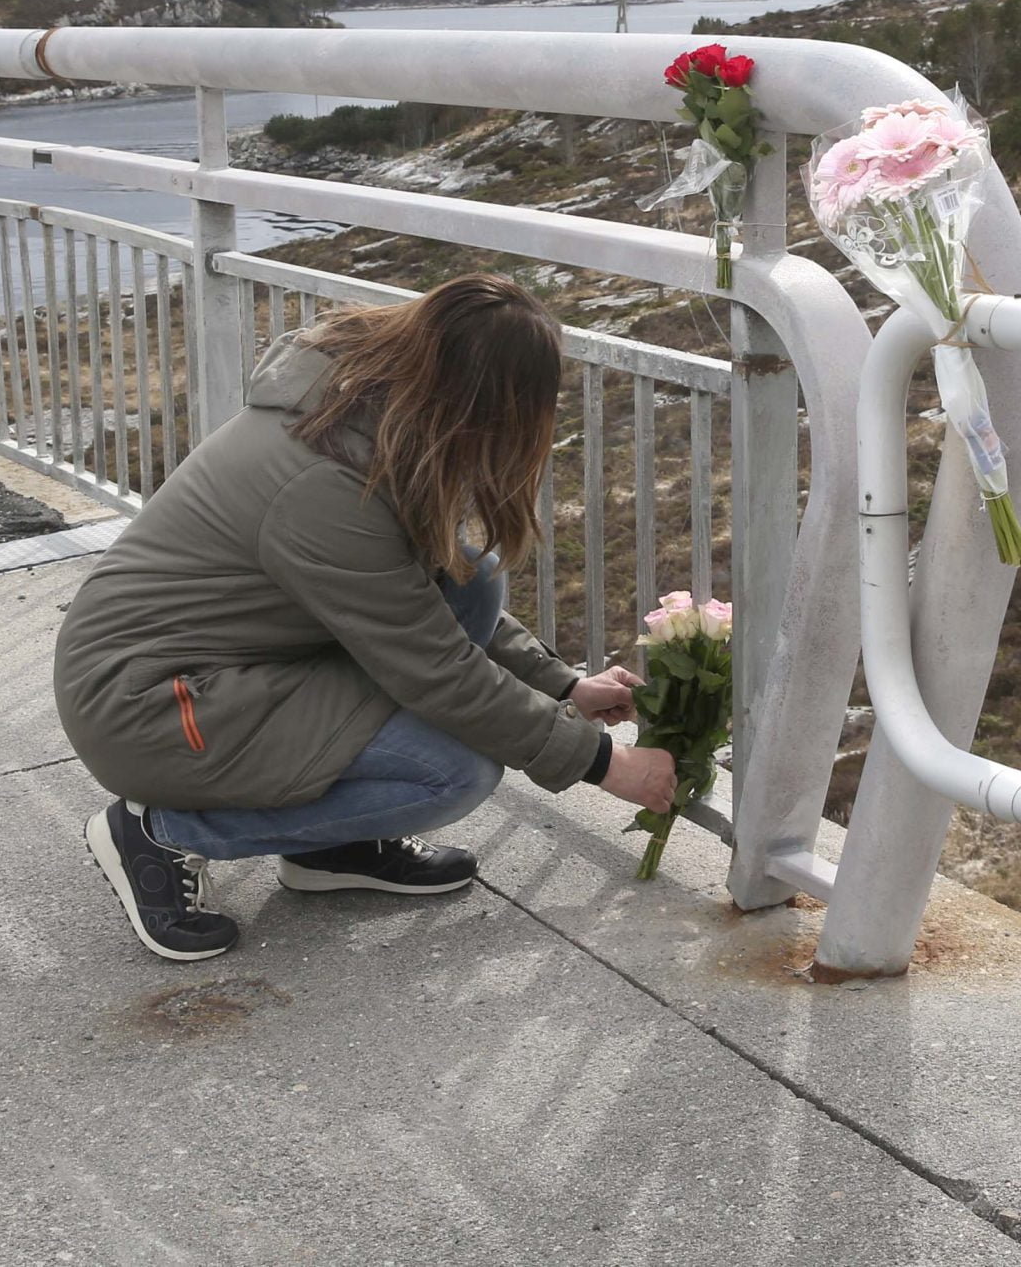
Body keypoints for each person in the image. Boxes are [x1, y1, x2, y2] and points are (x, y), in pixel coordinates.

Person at [53, 272, 678, 961]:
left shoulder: (364, 421)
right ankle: (162, 834)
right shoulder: (324, 485)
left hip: (227, 672)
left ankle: (329, 848)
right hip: (152, 708)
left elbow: (417, 608)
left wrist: (561, 684)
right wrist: (602, 764)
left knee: (471, 577)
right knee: (454, 771)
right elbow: (434, 668)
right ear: (478, 403)